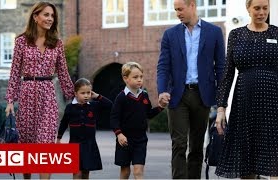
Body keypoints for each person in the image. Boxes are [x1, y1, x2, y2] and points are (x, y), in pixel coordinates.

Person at [4, 2, 74, 179]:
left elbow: (64, 74)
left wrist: (78, 99)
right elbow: (14, 72)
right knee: (27, 148)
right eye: (46, 15)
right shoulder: (21, 41)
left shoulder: (57, 44)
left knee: (46, 148)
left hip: (48, 97)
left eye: (52, 16)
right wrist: (10, 101)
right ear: (35, 17)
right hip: (27, 95)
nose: (50, 18)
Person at [156, 0, 225, 178]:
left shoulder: (214, 32)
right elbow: (163, 66)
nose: (177, 13)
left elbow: (221, 68)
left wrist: (220, 102)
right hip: (177, 95)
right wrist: (162, 90)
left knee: (196, 145)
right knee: (178, 144)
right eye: (175, 10)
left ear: (192, 5)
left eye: (180, 9)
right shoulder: (170, 35)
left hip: (202, 96)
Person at [215, 0, 278, 178]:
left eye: (265, 8)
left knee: (274, 156)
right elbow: (227, 74)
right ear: (248, 9)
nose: (261, 12)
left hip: (273, 102)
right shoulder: (236, 35)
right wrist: (221, 109)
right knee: (246, 160)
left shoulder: (276, 33)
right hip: (244, 102)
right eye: (257, 8)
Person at [110, 62, 164, 179]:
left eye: (141, 77)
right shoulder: (121, 98)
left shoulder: (144, 95)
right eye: (135, 77)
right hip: (124, 140)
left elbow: (148, 114)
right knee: (125, 172)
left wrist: (161, 107)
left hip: (140, 140)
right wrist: (119, 134)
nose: (139, 80)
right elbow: (114, 118)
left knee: (138, 171)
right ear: (126, 78)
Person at [56, 78, 112, 179]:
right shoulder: (70, 107)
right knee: (76, 173)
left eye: (88, 92)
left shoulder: (94, 106)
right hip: (74, 145)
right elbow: (63, 123)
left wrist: (97, 96)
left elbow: (110, 105)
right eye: (83, 93)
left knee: (86, 173)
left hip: (89, 145)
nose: (86, 95)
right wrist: (59, 138)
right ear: (76, 93)